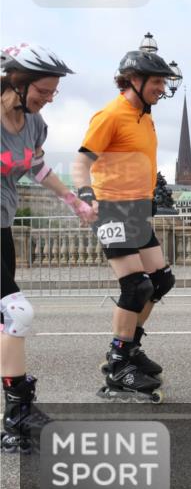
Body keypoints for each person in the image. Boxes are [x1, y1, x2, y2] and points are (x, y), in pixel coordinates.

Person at [73, 45, 180, 403]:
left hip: (135, 211)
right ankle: (119, 365)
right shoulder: (110, 115)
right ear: (134, 80)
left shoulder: (145, 117)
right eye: (157, 81)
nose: (162, 88)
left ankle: (129, 348)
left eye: (164, 81)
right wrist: (86, 195)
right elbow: (81, 162)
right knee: (135, 287)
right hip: (111, 210)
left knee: (161, 281)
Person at [1, 43, 95, 452]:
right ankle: (17, 412)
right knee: (16, 312)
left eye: (55, 91)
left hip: (3, 227)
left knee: (5, 320)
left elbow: (36, 166)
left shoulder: (35, 124)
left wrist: (73, 200)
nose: (50, 98)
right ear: (17, 83)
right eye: (44, 90)